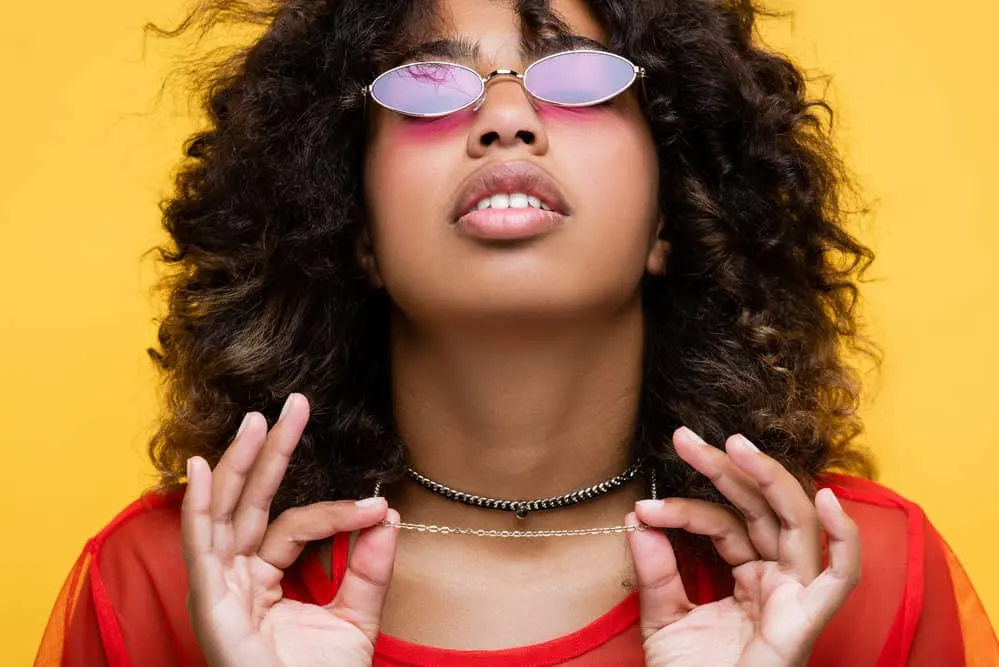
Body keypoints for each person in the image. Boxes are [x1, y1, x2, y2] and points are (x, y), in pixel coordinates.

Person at [35, 0, 998, 665]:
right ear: (351, 222)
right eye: (425, 86)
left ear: (676, 212)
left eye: (578, 78)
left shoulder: (859, 576)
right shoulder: (165, 584)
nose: (505, 118)